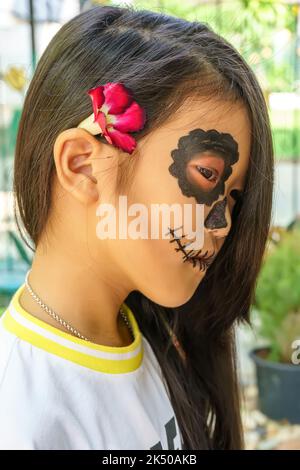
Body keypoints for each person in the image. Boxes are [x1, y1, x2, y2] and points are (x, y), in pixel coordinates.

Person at [0, 4, 274, 450]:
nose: (223, 223)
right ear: (83, 165)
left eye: (233, 198)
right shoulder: (18, 413)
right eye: (207, 175)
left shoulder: (154, 343)